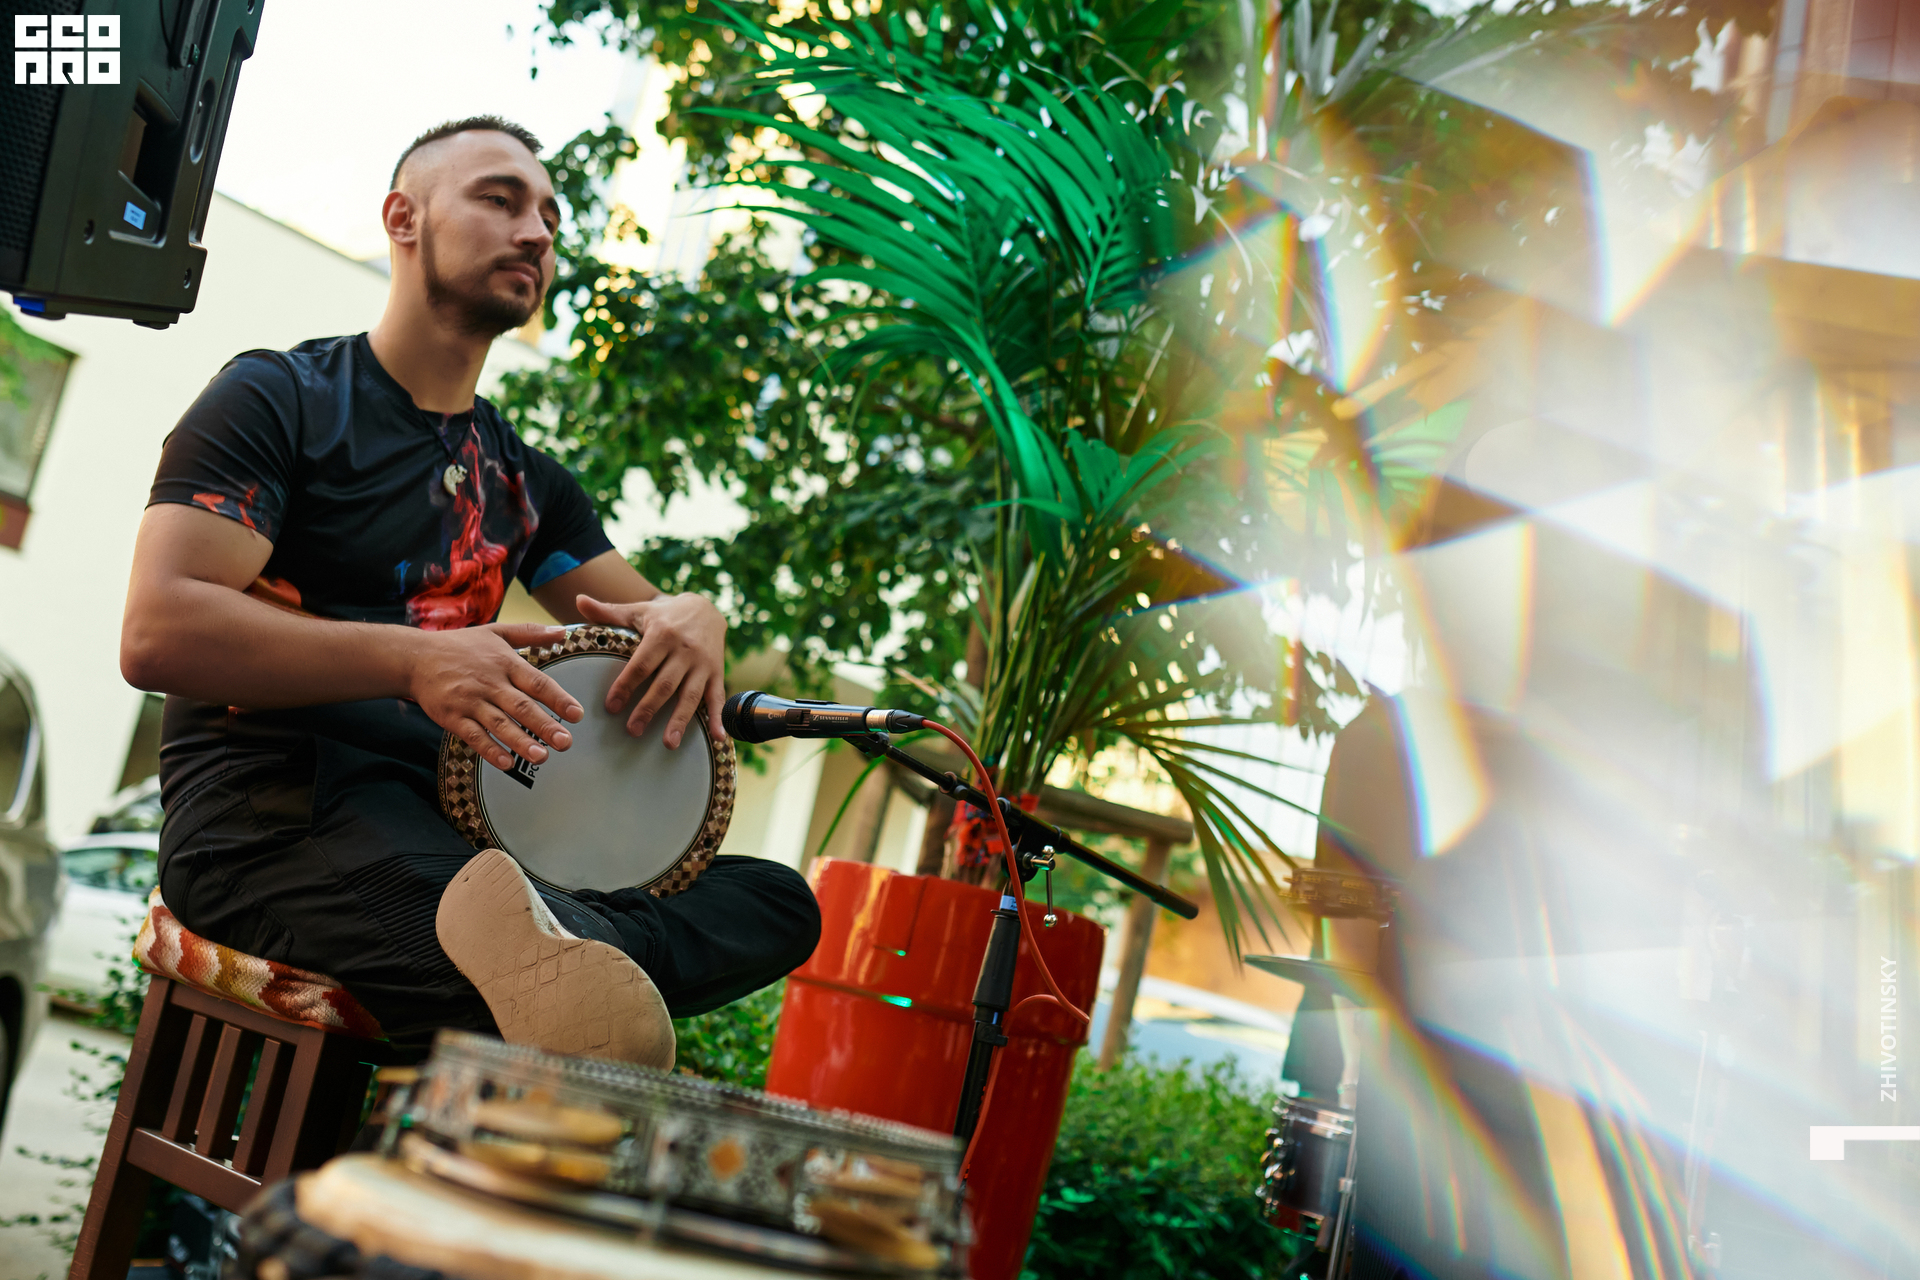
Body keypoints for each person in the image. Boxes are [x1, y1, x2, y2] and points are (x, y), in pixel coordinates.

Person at [119, 116, 820, 1063]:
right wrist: (417, 661)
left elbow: (644, 616)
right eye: (500, 199)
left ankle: (559, 951)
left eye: (551, 218)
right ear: (403, 218)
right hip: (270, 815)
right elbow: (158, 630)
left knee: (780, 902)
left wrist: (695, 617)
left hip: (454, 834)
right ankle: (563, 958)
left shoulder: (526, 483)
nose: (536, 232)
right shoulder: (278, 399)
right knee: (473, 926)